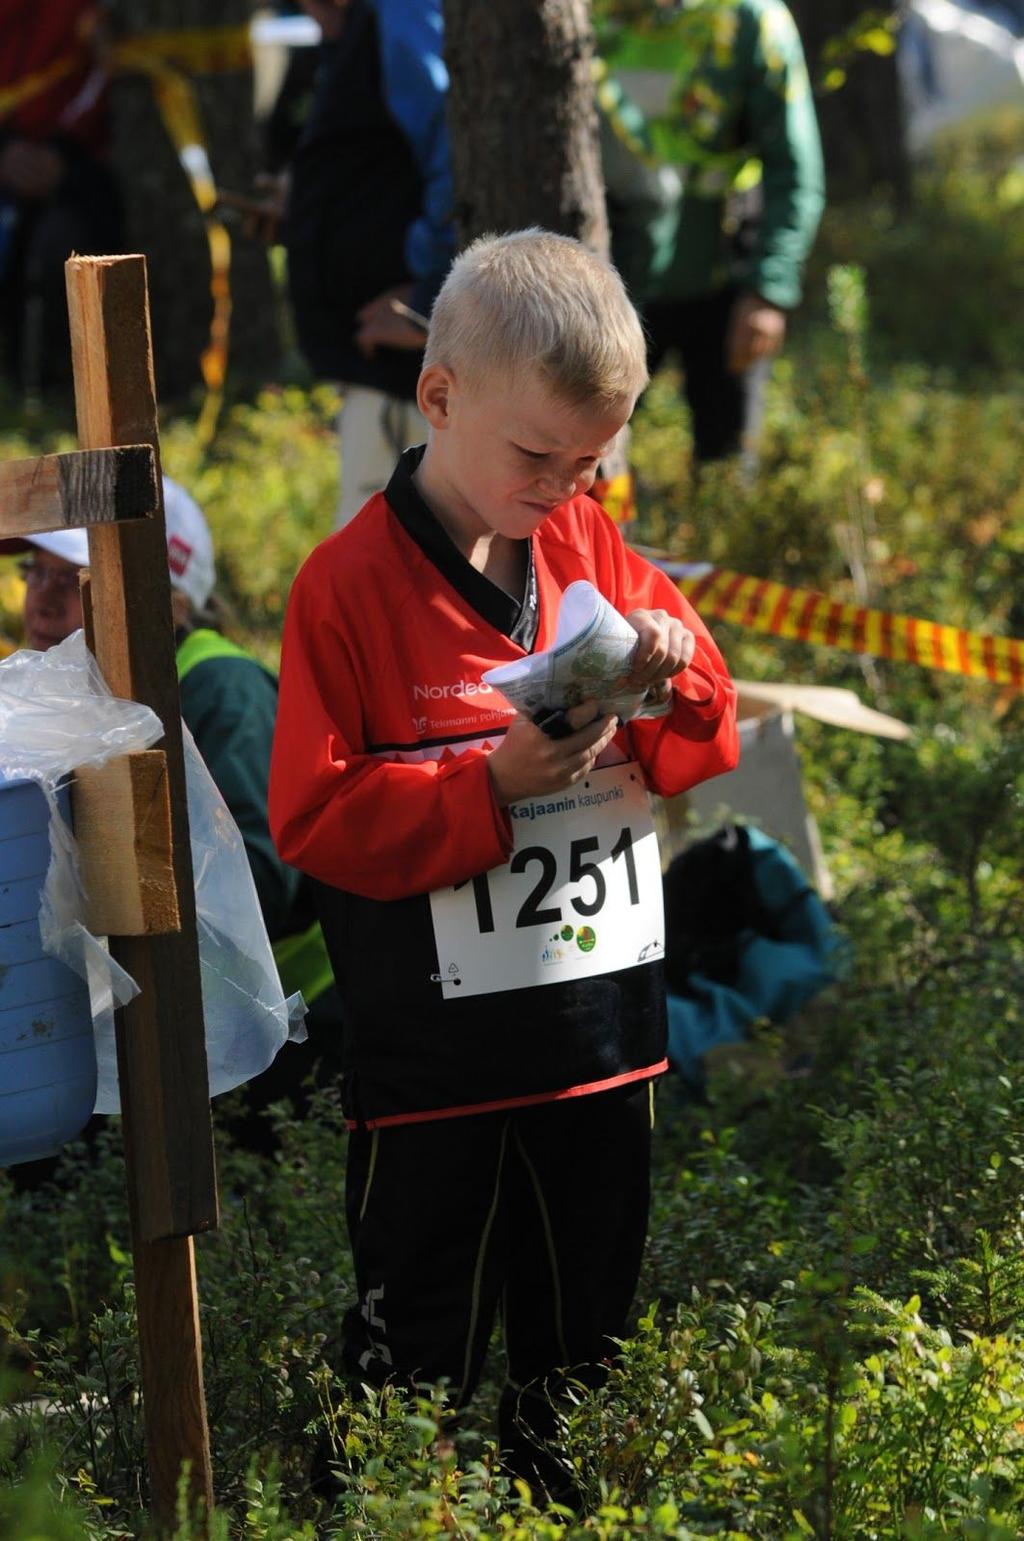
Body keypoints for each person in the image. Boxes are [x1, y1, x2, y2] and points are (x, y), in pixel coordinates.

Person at [268, 230, 739, 1497]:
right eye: (538, 455)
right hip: (437, 1070)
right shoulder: (345, 588)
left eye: (590, 461)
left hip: (599, 1046)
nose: (563, 486)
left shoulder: (586, 542)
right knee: (411, 1350)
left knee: (583, 1351)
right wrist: (483, 787)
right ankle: (364, 1513)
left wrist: (665, 664)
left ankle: (562, 1514)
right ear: (439, 396)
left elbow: (711, 715)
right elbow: (314, 818)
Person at [1, 478, 339, 1150]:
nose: (43, 596)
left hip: (275, 1036)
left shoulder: (219, 688)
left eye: (73, 577)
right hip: (149, 1027)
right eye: (33, 571)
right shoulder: (65, 711)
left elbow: (266, 882)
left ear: (163, 594)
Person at [599, 0, 825, 467]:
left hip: (724, 285)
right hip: (612, 286)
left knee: (726, 461)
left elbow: (794, 168)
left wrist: (768, 291)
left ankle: (710, 537)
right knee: (591, 461)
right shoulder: (586, 13)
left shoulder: (752, 21)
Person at [284, 0, 454, 525]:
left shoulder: (403, 13)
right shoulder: (367, 26)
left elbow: (453, 148)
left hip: (406, 371)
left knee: (396, 570)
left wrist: (432, 300)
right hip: (380, 362)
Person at [0, 1, 122, 394]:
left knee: (63, 248)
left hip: (78, 169)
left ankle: (55, 381)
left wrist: (61, 157)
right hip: (10, 156)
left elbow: (105, 81)